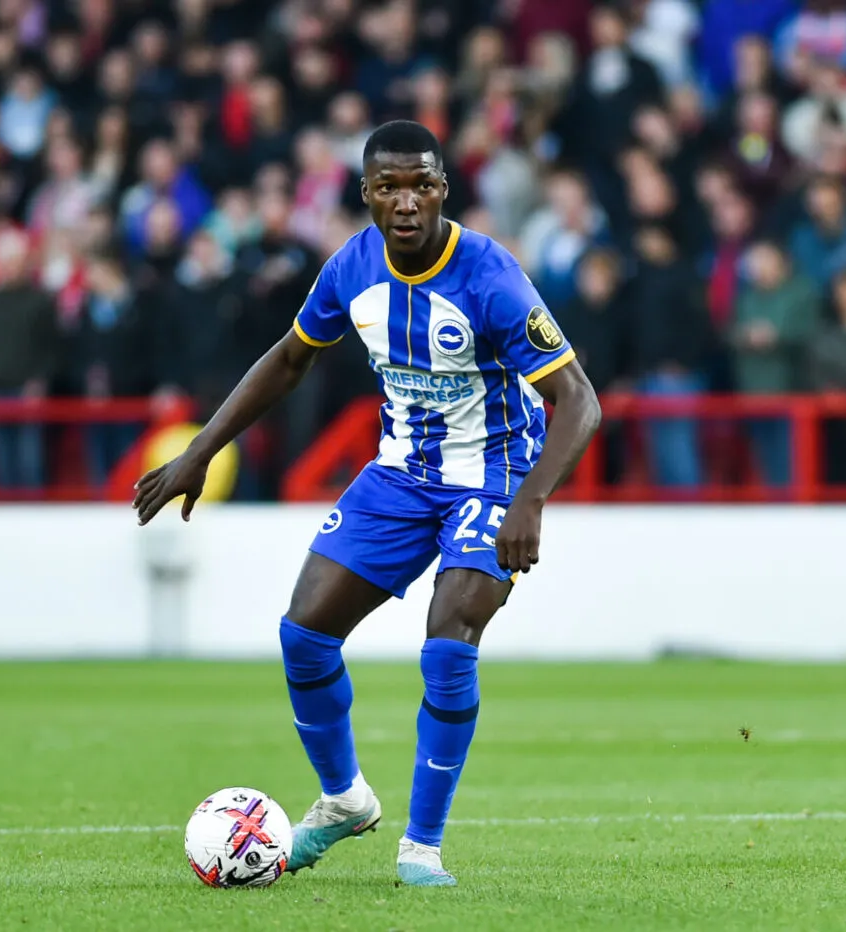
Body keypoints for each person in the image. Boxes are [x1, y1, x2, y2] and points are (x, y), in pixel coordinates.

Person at [132, 121, 601, 887]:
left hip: (491, 477)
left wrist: (531, 501)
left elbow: (578, 401)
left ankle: (421, 846)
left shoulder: (491, 276)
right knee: (304, 633)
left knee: (448, 640)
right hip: (400, 476)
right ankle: (345, 799)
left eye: (422, 184)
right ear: (367, 195)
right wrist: (200, 449)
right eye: (389, 187)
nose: (406, 201)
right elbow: (288, 362)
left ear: (443, 190)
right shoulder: (351, 267)